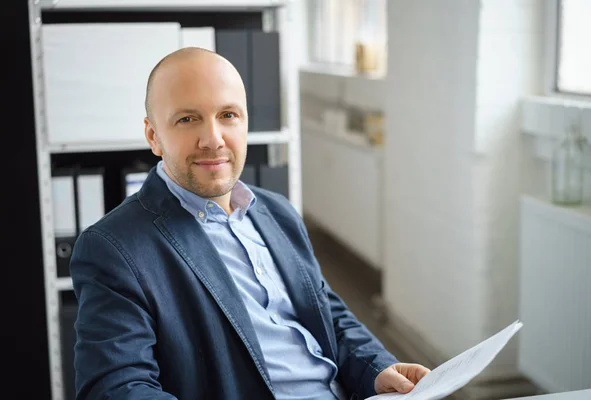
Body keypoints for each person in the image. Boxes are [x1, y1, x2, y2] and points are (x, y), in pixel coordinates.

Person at [70, 47, 430, 400]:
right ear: (153, 136)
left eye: (228, 115)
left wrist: (377, 369)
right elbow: (116, 388)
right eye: (187, 119)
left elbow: (327, 312)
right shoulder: (112, 248)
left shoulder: (277, 212)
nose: (213, 139)